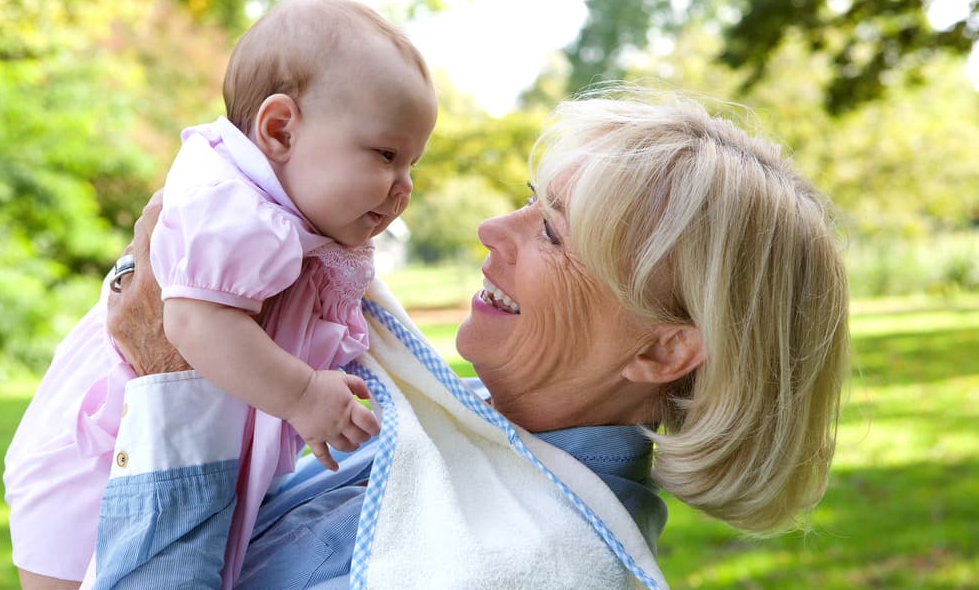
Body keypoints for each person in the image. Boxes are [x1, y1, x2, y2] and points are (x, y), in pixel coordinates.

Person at [53, 87, 850, 588]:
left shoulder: (533, 566)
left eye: (553, 234)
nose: (491, 229)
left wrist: (172, 380)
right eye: (528, 200)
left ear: (662, 350)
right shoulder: (453, 425)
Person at [3, 0, 438, 589]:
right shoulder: (234, 208)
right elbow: (194, 323)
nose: (403, 186)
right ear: (279, 129)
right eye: (387, 154)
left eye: (412, 164)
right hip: (101, 456)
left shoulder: (282, 218)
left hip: (150, 448)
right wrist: (307, 395)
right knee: (76, 573)